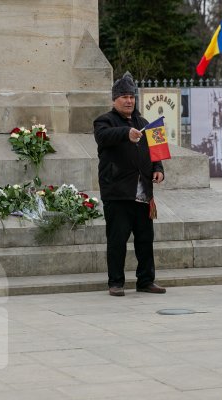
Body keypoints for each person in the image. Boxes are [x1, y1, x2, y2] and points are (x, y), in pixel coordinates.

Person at [93, 72, 166, 297]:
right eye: (124, 96)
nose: (129, 101)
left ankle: (146, 280)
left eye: (132, 97)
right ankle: (115, 283)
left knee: (145, 240)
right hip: (117, 193)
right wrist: (126, 134)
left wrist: (158, 170)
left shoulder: (146, 123)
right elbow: (105, 137)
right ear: (114, 100)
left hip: (143, 194)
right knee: (117, 241)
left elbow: (157, 152)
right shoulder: (104, 121)